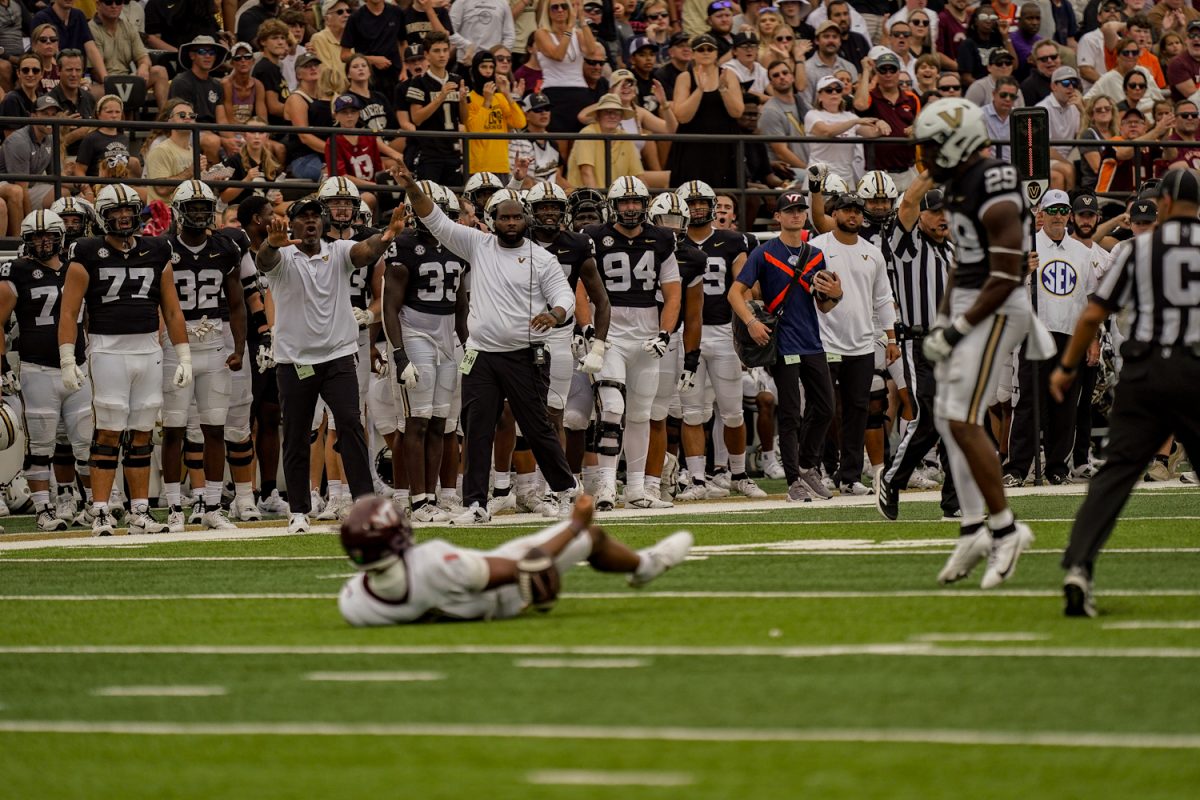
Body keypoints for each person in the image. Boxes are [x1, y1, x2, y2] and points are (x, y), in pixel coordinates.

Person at [392, 163, 578, 525]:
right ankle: (475, 502)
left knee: (537, 424)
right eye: (504, 218)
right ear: (492, 220)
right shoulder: (477, 244)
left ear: (526, 220)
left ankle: (566, 487)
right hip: (480, 354)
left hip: (525, 354)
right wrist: (412, 185)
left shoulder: (542, 258)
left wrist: (554, 315)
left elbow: (565, 297)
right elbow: (435, 220)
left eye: (516, 218)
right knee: (476, 429)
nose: (510, 223)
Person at [1050, 169, 1200, 617]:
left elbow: (1094, 312)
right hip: (1195, 370)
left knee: (1115, 476)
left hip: (1146, 372)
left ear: (1166, 205)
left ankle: (1079, 566)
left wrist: (1066, 366)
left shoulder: (1139, 249)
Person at [912, 97, 1037, 589]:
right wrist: (943, 320)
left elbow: (1006, 276)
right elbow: (963, 266)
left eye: (931, 147)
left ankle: (1006, 531)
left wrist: (958, 329)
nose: (925, 158)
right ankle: (971, 529)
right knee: (948, 417)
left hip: (1001, 310)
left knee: (962, 418)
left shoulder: (996, 184)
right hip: (973, 304)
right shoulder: (959, 183)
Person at [254, 191, 403, 534]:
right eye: (303, 217)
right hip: (295, 360)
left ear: (322, 223)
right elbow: (264, 262)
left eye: (315, 216)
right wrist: (272, 244)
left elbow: (364, 253)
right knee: (296, 433)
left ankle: (365, 506)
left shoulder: (337, 251)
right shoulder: (283, 255)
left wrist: (387, 236)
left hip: (338, 354)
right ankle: (298, 511)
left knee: (350, 424)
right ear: (291, 224)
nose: (310, 221)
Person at [58, 183, 191, 537]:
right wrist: (68, 357)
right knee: (108, 431)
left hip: (148, 348)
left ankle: (140, 511)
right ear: (102, 216)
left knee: (144, 432)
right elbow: (69, 312)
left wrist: (184, 355)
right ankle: (100, 510)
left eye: (128, 211)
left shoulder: (157, 249)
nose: (123, 217)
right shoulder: (86, 251)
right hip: (107, 348)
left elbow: (172, 309)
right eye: (115, 212)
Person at [337, 493, 693, 625]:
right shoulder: (433, 563)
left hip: (457, 597)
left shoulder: (354, 603)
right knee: (591, 536)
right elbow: (528, 567)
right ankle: (646, 566)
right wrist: (574, 525)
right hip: (498, 596)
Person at [728, 189, 842, 502]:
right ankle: (794, 480)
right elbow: (735, 293)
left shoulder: (815, 254)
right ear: (777, 216)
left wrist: (837, 293)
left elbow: (824, 306)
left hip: (812, 340)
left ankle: (807, 465)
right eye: (789, 210)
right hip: (784, 342)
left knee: (826, 406)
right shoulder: (764, 253)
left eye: (800, 210)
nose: (795, 214)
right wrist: (751, 323)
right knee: (790, 411)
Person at [583, 176, 681, 510]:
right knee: (611, 409)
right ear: (613, 206)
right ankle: (606, 486)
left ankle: (637, 490)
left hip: (646, 337)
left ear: (644, 204)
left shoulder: (662, 239)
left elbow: (673, 295)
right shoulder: (594, 238)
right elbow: (581, 287)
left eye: (635, 201)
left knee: (640, 414)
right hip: (609, 337)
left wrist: (665, 334)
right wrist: (588, 330)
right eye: (624, 202)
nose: (629, 208)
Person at [159, 181, 247, 532]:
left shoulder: (226, 248)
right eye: (192, 208)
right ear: (179, 211)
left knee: (215, 429)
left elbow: (237, 302)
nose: (198, 214)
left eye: (203, 207)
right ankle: (175, 507)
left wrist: (239, 347)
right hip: (175, 347)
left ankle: (212, 505)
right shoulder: (162, 248)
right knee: (174, 430)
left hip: (213, 345)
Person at [380, 181, 468, 524]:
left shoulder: (457, 247)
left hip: (447, 336)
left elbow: (461, 306)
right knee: (416, 419)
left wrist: (468, 348)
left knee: (441, 422)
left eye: (444, 213)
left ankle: (431, 497)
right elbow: (390, 306)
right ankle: (416, 501)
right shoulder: (403, 246)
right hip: (415, 334)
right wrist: (399, 354)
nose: (438, 218)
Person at [0, 210, 93, 532]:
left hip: (77, 365)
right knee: (41, 446)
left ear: (61, 236)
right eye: (36, 236)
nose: (43, 241)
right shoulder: (18, 271)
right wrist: (2, 366)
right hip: (37, 368)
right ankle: (43, 510)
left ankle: (95, 505)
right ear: (26, 240)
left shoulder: (75, 268)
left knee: (84, 442)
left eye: (49, 235)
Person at [876, 174, 960, 520]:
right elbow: (908, 202)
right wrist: (931, 170)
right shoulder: (905, 245)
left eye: (947, 212)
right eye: (936, 211)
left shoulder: (953, 250)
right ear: (921, 216)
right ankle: (893, 480)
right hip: (918, 340)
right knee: (927, 417)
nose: (943, 217)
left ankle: (954, 501)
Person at [675, 180, 765, 501]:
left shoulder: (731, 242)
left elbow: (745, 286)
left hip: (724, 331)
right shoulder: (672, 242)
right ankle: (698, 480)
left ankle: (737, 474)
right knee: (692, 412)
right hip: (686, 335)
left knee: (732, 411)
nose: (698, 208)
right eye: (692, 202)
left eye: (703, 202)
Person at [1002, 189, 1095, 487]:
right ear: (1041, 212)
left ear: (1069, 214)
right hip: (1035, 333)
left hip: (1070, 334)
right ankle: (1018, 467)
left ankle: (1058, 466)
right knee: (1028, 402)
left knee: (1066, 404)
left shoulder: (1082, 252)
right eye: (1052, 210)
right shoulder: (1026, 246)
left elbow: (1090, 300)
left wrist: (1092, 339)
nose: (1057, 216)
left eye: (1062, 211)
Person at [810, 191, 897, 496]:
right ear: (834, 213)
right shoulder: (817, 247)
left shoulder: (872, 252)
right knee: (824, 408)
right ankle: (816, 468)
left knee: (858, 409)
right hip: (824, 339)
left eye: (858, 211)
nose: (853, 216)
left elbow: (883, 297)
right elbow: (806, 288)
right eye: (847, 210)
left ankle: (849, 475)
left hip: (860, 342)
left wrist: (891, 336)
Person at [535, 0, 600, 136]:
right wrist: (569, 29)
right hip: (555, 92)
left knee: (580, 142)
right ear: (548, 12)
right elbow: (558, 55)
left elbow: (592, 51)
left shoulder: (578, 34)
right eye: (555, 7)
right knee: (561, 144)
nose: (560, 10)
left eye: (564, 6)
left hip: (579, 91)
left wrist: (582, 20)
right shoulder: (542, 34)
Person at [89, 0, 169, 110]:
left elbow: (143, 56)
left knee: (160, 71)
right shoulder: (90, 28)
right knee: (89, 93)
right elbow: (96, 73)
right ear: (98, 5)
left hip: (128, 79)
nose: (114, 6)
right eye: (108, 2)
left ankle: (164, 120)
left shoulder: (128, 27)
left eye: (118, 2)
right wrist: (115, 85)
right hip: (103, 84)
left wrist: (143, 66)